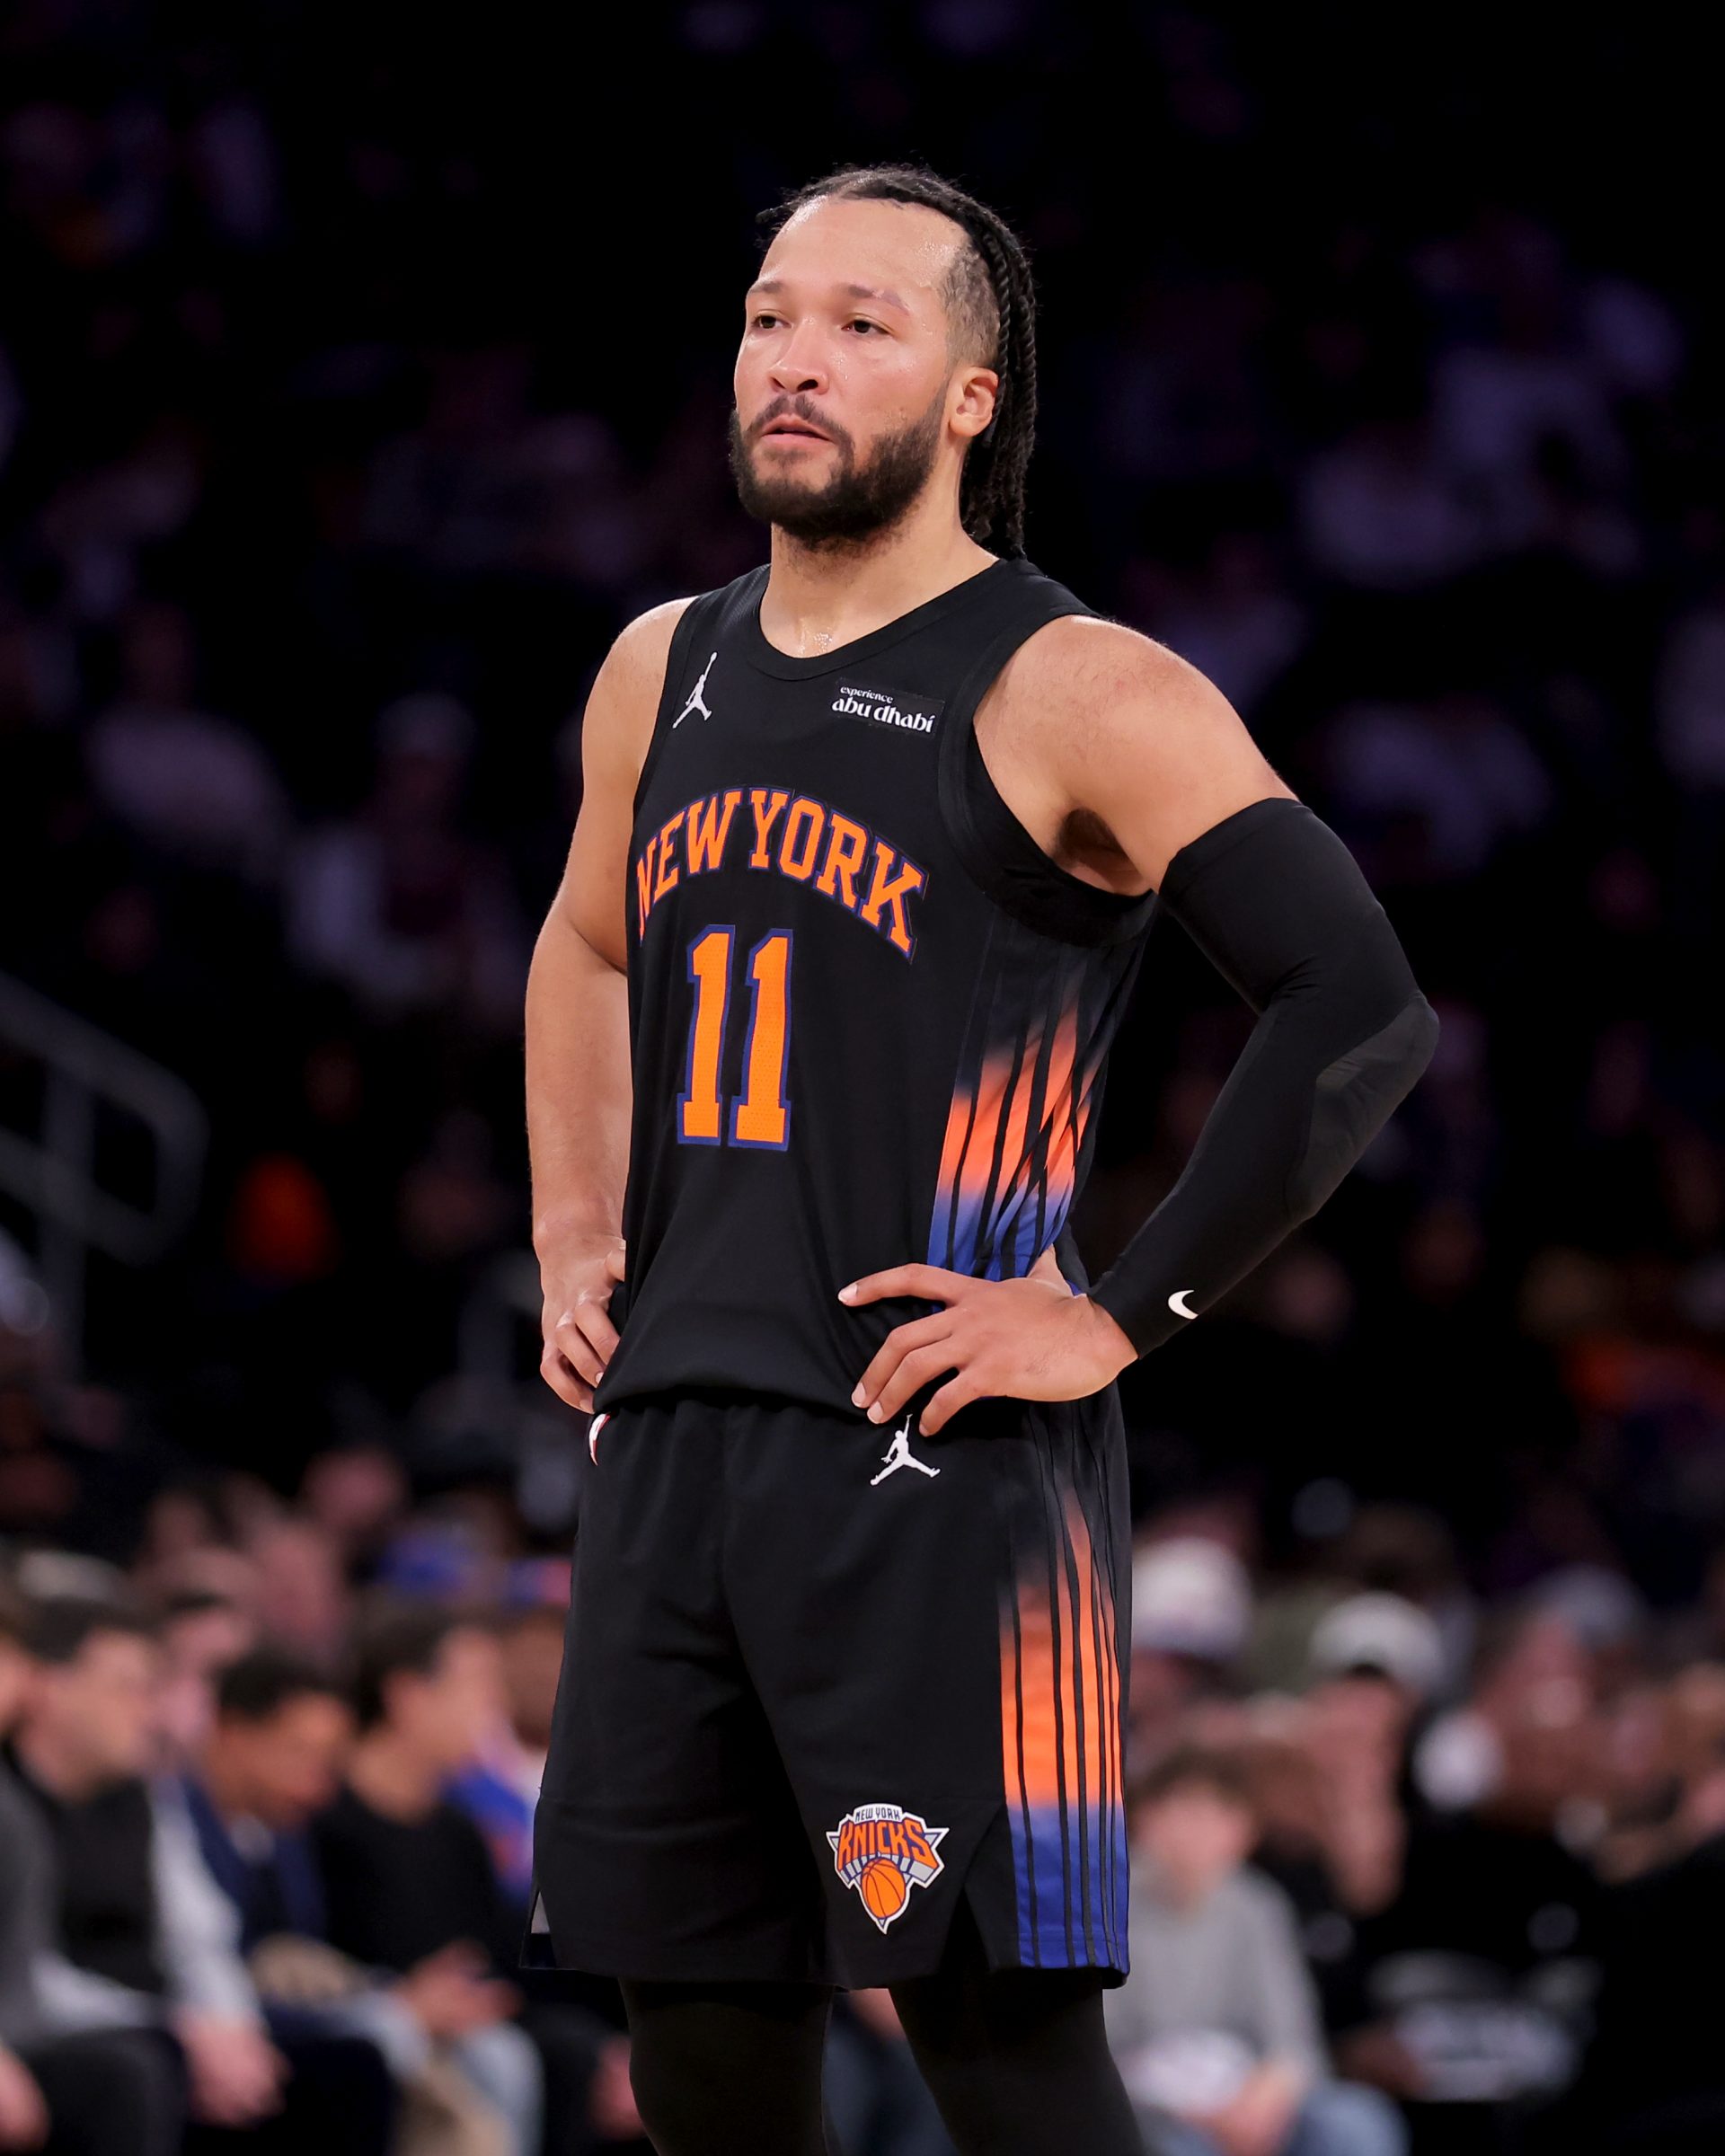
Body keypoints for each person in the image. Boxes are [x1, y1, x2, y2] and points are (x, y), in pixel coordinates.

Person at [525, 161, 1438, 2156]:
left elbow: (1357, 1005)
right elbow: (588, 946)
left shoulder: (1073, 683)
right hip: (672, 1440)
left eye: (862, 323)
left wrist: (1115, 1316)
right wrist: (575, 1230)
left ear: (971, 396)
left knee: (1002, 2058)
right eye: (770, 317)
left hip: (935, 1465)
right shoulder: (660, 663)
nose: (794, 358)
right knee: (695, 2044)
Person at [314, 1600, 634, 2156]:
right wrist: (403, 2004)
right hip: (370, 2031)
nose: (496, 1707)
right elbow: (307, 1961)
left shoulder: (456, 1829)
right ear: (408, 1696)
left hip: (468, 2025)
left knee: (587, 2047)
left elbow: (505, 1951)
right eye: (478, 1687)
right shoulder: (322, 1820)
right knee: (503, 2060)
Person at [1104, 1747, 1405, 2156]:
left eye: (1216, 1814)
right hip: (1152, 2107)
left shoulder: (1257, 1905)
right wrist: (1197, 2109)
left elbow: (1293, 2040)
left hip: (1245, 2093)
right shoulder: (1106, 1908)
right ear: (1144, 1819)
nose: (1196, 1831)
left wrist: (1262, 2101)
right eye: (1183, 1810)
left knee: (1355, 2119)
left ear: (1244, 1831)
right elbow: (1105, 2052)